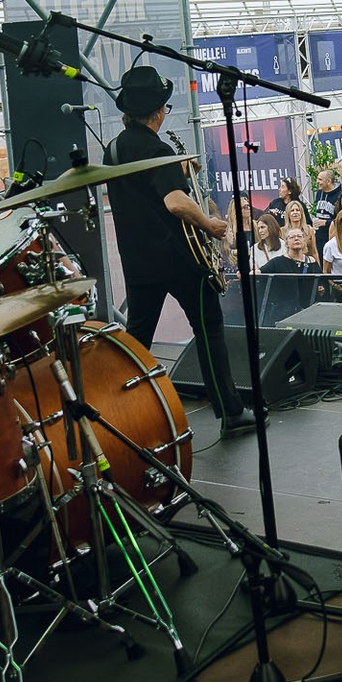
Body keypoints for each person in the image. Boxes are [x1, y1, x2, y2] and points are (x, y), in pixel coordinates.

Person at [105, 64, 253, 433]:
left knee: (138, 337)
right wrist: (210, 224)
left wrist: (177, 172)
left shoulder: (115, 149)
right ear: (158, 112)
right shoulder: (158, 149)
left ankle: (122, 414)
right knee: (209, 327)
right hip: (178, 258)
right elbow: (174, 203)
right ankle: (231, 412)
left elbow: (142, 190)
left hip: (137, 260)